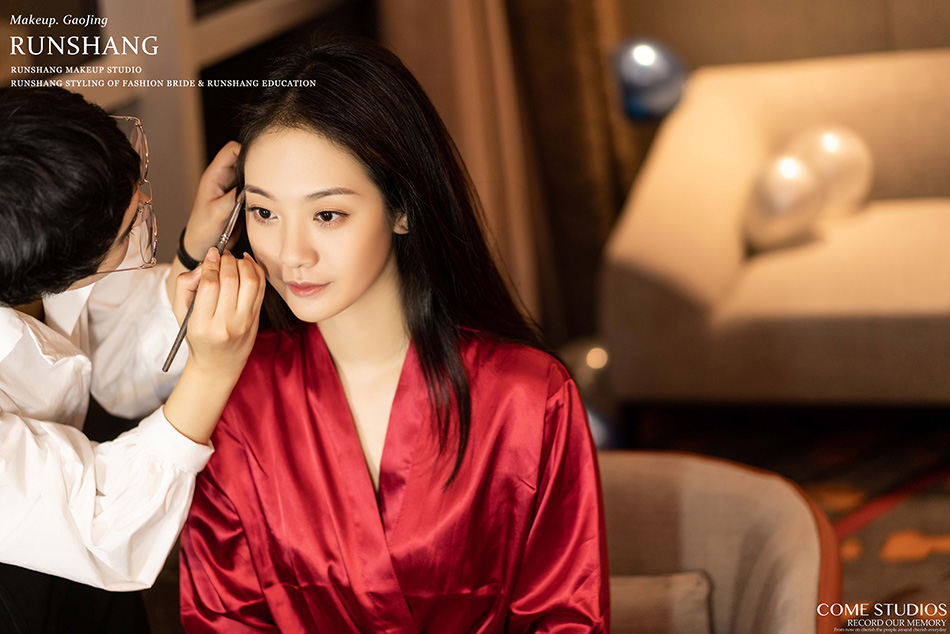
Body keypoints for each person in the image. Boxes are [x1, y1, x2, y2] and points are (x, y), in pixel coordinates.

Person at [179, 37, 609, 632]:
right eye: (264, 213)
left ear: (403, 208)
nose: (291, 253)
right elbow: (223, 618)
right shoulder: (232, 397)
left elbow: (566, 618)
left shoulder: (530, 397)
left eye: (327, 214)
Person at [0, 86, 266, 632]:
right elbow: (103, 527)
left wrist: (191, 252)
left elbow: (113, 361)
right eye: (128, 229)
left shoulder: (31, 229)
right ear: (55, 265)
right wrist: (212, 372)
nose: (146, 206)